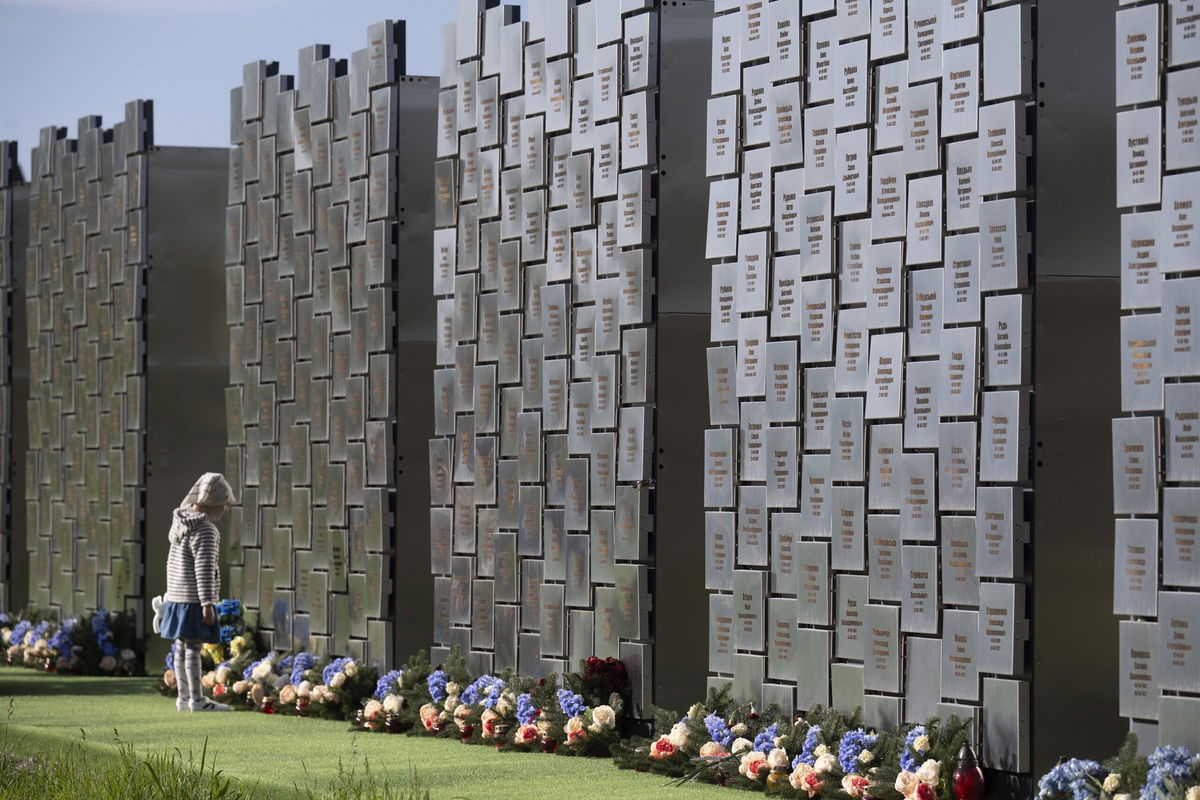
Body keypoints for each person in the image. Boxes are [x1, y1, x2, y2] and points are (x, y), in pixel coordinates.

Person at [157, 472, 236, 712]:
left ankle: (183, 698)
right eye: (224, 503)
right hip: (194, 599)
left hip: (177, 596)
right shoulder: (205, 530)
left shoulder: (180, 523)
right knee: (193, 649)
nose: (226, 509)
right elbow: (204, 568)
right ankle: (198, 700)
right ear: (214, 502)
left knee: (181, 648)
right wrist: (207, 602)